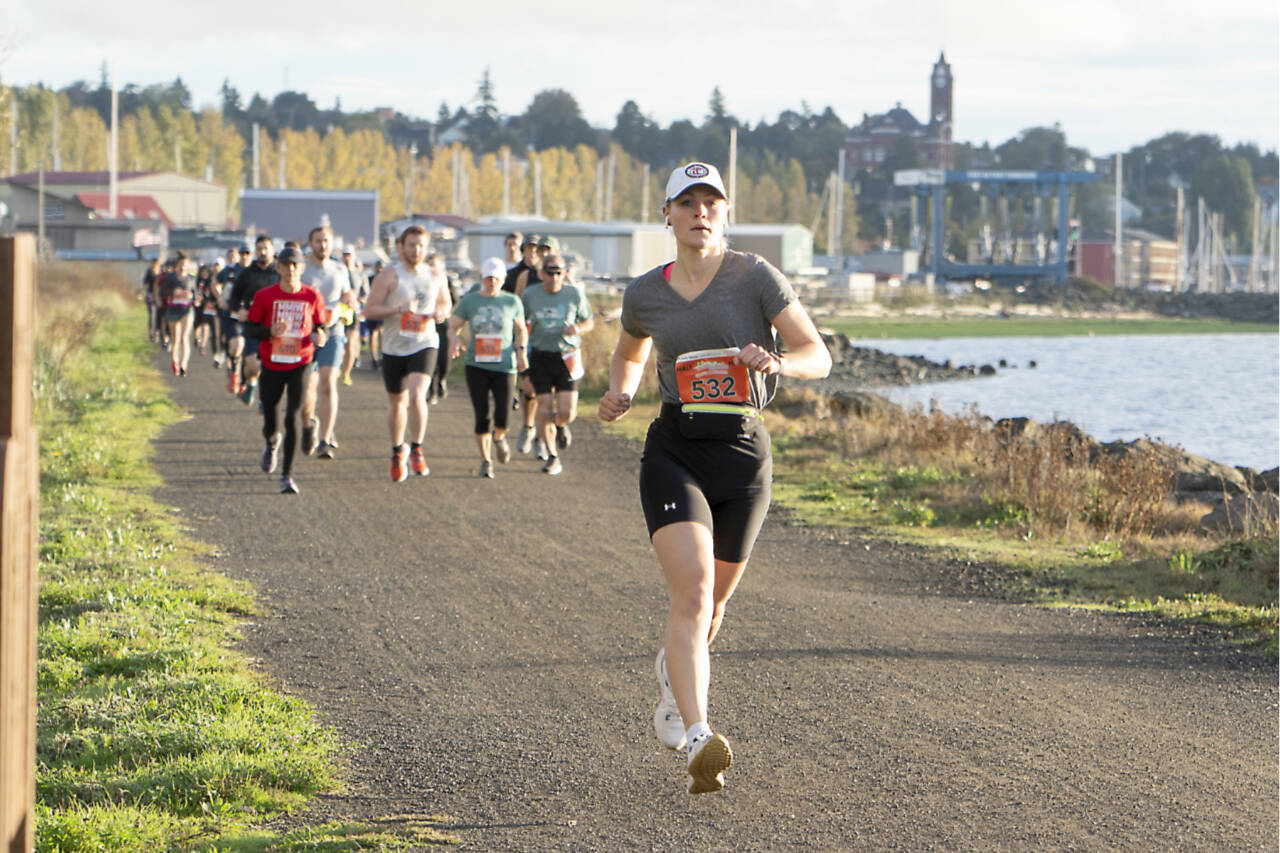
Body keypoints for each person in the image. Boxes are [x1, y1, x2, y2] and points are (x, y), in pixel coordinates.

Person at [598, 162, 831, 795]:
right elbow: (629, 350)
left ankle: (675, 683)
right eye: (687, 202)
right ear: (666, 215)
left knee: (715, 605)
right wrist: (620, 391)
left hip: (744, 451)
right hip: (676, 447)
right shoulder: (646, 292)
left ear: (724, 214)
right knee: (694, 591)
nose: (700, 211)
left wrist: (778, 358)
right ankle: (700, 734)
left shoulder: (756, 278)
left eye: (711, 202)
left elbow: (819, 354)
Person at [363, 225, 451, 481]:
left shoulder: (435, 274)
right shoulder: (390, 276)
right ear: (402, 247)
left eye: (421, 245)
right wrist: (397, 310)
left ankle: (417, 449)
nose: (416, 250)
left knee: (416, 395)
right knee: (397, 403)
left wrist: (441, 312)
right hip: (393, 347)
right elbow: (370, 310)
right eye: (411, 245)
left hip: (424, 342)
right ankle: (396, 450)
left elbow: (445, 301)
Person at [243, 246, 329, 494]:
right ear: (278, 267)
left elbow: (321, 326)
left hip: (300, 362)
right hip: (272, 362)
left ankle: (287, 476)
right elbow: (250, 329)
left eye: (295, 265)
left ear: (302, 268)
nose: (291, 270)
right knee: (271, 415)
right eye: (286, 265)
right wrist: (269, 331)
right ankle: (271, 443)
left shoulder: (312, 297)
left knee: (292, 415)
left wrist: (320, 335)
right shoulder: (264, 296)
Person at [448, 257, 528, 478]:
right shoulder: (470, 301)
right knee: (481, 415)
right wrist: (454, 340)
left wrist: (521, 351)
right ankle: (486, 460)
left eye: (496, 278)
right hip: (476, 364)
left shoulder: (512, 302)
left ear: (502, 280)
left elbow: (521, 329)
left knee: (503, 415)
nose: (491, 282)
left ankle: (499, 437)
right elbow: (453, 326)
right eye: (487, 278)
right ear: (482, 279)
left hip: (504, 365)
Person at [522, 251, 593, 475]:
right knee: (543, 408)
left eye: (559, 273)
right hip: (541, 356)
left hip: (567, 356)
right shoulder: (530, 295)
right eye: (550, 273)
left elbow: (589, 321)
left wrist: (578, 328)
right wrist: (520, 352)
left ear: (564, 274)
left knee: (567, 411)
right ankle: (552, 456)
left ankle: (561, 425)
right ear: (541, 274)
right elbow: (519, 322)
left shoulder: (574, 294)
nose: (554, 278)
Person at [298, 226, 356, 459]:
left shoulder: (340, 269)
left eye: (326, 241)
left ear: (332, 244)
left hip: (333, 332)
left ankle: (325, 439)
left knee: (328, 383)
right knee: (307, 388)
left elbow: (347, 296)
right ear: (310, 243)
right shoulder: (302, 269)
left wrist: (348, 304)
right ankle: (309, 423)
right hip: (306, 336)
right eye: (318, 241)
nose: (323, 245)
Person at [227, 235, 281, 404]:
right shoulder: (247, 274)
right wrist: (239, 308)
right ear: (255, 252)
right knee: (253, 365)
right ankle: (250, 383)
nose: (263, 252)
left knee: (270, 367)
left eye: (266, 249)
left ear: (273, 250)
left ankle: (264, 400)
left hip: (276, 326)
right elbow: (234, 296)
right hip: (253, 324)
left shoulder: (280, 273)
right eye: (259, 249)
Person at [427, 252, 461, 404]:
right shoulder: (422, 281)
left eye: (434, 264)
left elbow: (454, 300)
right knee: (430, 357)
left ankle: (442, 379)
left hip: (444, 322)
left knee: (444, 358)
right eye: (429, 264)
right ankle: (431, 391)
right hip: (427, 323)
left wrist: (444, 311)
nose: (431, 267)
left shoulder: (446, 280)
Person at [160, 252, 197, 375]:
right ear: (177, 265)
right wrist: (173, 292)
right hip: (173, 309)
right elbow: (163, 291)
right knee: (176, 339)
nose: (182, 267)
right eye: (180, 264)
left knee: (184, 337)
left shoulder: (191, 279)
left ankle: (183, 365)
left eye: (185, 265)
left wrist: (192, 296)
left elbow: (196, 294)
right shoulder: (171, 277)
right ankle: (175, 361)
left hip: (187, 310)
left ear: (188, 266)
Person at [339, 244, 363, 386]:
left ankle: (346, 373)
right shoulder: (338, 272)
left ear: (354, 256)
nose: (347, 257)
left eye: (349, 254)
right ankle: (336, 366)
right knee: (338, 341)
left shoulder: (360, 275)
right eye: (345, 254)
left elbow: (366, 294)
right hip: (338, 311)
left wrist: (357, 299)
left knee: (350, 343)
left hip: (353, 312)